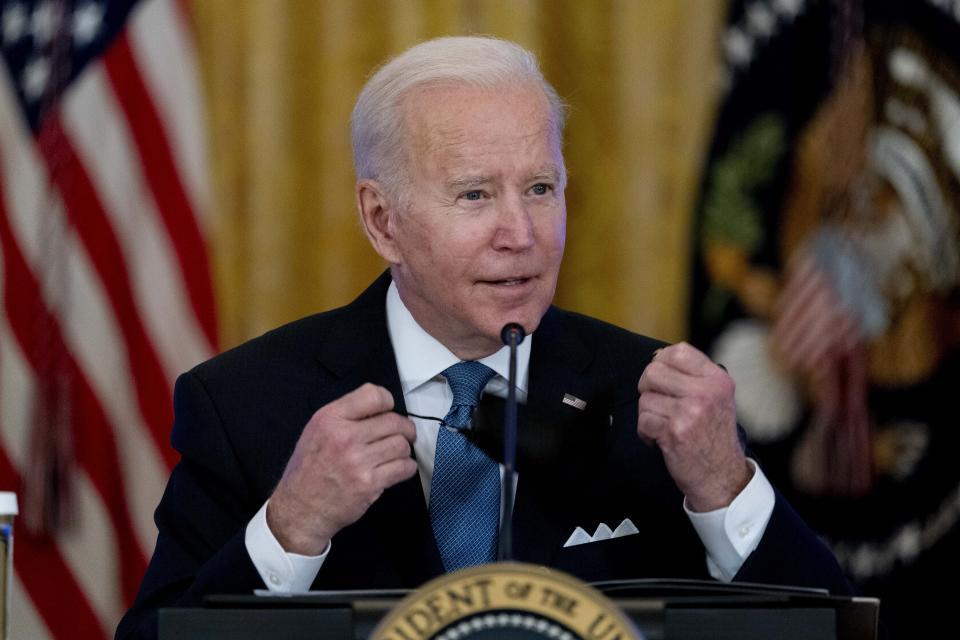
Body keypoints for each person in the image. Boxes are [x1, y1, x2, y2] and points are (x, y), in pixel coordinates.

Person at [116, 36, 852, 638]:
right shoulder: (247, 405)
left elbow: (830, 629)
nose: (522, 235)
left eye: (541, 188)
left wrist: (725, 487)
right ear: (382, 221)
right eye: (475, 195)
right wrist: (290, 529)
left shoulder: (656, 400)